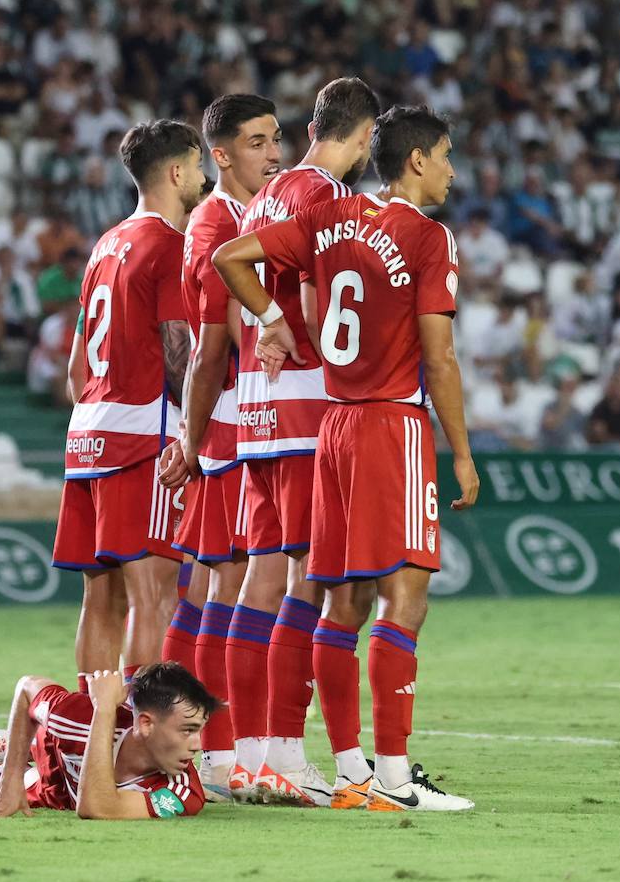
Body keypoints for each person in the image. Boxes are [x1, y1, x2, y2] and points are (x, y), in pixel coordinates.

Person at [213, 104, 479, 811]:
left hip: (329, 424)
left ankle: (352, 770)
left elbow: (230, 258)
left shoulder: (333, 220)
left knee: (339, 600)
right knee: (406, 598)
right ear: (416, 160)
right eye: (447, 154)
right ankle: (394, 778)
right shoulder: (428, 237)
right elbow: (440, 355)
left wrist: (272, 321)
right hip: (392, 424)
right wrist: (463, 454)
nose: (453, 169)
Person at [224, 77, 380, 805]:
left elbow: (231, 264)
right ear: (366, 135)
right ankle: (287, 752)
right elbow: (321, 300)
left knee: (263, 578)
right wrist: (287, 326)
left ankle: (254, 755)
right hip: (308, 406)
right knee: (311, 581)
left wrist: (264, 319)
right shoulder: (326, 199)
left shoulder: (269, 193)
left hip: (256, 412)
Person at [155, 94, 281, 801]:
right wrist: (193, 434)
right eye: (258, 142)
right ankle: (223, 750)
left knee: (207, 588)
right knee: (228, 585)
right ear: (222, 156)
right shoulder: (217, 222)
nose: (274, 153)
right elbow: (207, 344)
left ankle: (184, 743)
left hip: (231, 420)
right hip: (234, 424)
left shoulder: (245, 217)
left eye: (276, 138)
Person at [54, 121, 201, 700]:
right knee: (155, 592)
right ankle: (139, 738)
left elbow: (75, 372)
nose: (202, 180)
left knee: (102, 598)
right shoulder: (168, 244)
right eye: (196, 168)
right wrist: (192, 428)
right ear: (175, 172)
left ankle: (89, 731)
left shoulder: (105, 245)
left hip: (88, 433)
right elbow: (178, 354)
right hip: (145, 435)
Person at [0, 664, 217, 819]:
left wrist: (104, 709)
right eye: (187, 730)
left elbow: (97, 808)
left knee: (36, 786)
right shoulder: (75, 715)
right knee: (42, 738)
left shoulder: (183, 793)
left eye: (199, 730)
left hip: (59, 794)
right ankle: (15, 751)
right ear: (145, 724)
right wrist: (11, 778)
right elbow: (27, 687)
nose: (197, 745)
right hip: (57, 749)